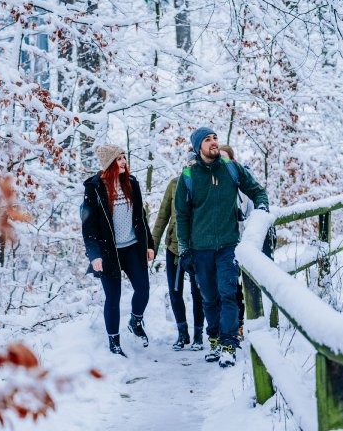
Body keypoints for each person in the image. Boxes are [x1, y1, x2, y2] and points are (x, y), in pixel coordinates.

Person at [175, 128, 269, 367]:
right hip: (200, 248)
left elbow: (257, 191)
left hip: (228, 245)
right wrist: (185, 250)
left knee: (228, 294)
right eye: (207, 140)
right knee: (209, 298)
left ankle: (229, 344)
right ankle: (214, 339)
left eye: (215, 138)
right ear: (198, 148)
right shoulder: (188, 176)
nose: (214, 142)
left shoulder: (231, 169)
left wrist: (262, 211)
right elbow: (182, 216)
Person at [81, 144, 155, 357]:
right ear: (109, 163)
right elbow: (88, 226)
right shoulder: (94, 188)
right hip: (108, 252)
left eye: (124, 157)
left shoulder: (131, 184)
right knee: (113, 297)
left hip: (132, 247)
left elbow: (141, 217)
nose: (124, 161)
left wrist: (149, 243)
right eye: (119, 158)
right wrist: (94, 255)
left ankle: (136, 321)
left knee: (143, 289)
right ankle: (114, 342)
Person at [218, 144, 277, 340]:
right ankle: (235, 326)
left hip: (247, 241)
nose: (221, 161)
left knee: (246, 284)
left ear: (233, 160)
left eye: (225, 158)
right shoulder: (214, 180)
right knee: (230, 286)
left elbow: (256, 202)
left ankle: (251, 324)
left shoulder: (240, 180)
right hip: (227, 241)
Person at [152, 154, 205, 351]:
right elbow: (162, 216)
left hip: (197, 248)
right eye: (189, 163)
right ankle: (182, 333)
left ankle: (199, 334)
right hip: (174, 247)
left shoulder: (204, 185)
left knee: (198, 292)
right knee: (175, 292)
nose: (191, 167)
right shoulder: (174, 184)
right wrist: (152, 245)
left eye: (195, 164)